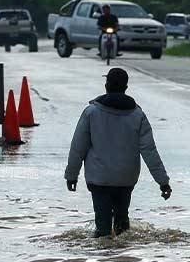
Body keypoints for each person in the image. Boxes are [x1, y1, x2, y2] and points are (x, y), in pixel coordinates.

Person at [64, 68, 172, 238]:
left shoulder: (91, 112)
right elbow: (150, 151)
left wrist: (71, 176)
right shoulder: (138, 115)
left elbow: (78, 147)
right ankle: (123, 250)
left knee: (103, 228)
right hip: (125, 179)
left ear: (106, 85)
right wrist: (163, 182)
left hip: (99, 179)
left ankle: (104, 250)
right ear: (125, 88)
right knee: (122, 225)